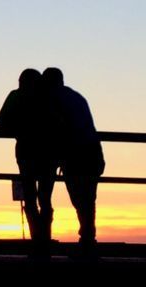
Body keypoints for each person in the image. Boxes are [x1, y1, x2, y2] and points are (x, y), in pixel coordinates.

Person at [43, 67, 104, 247]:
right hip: (93, 151)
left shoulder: (53, 99)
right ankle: (88, 238)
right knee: (88, 198)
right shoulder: (76, 96)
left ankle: (86, 238)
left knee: (79, 198)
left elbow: (59, 127)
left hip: (75, 154)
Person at [0, 68, 54, 254]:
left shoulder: (16, 96)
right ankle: (45, 238)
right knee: (45, 197)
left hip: (26, 150)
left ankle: (36, 239)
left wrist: (19, 131)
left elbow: (1, 121)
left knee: (30, 197)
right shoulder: (48, 98)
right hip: (49, 153)